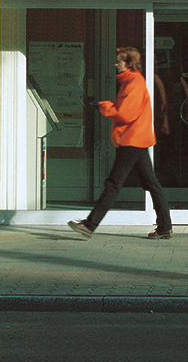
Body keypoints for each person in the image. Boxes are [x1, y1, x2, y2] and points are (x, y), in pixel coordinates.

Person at [68, 47, 173, 239]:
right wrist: (105, 105)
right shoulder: (130, 82)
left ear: (129, 63)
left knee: (113, 184)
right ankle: (165, 227)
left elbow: (125, 114)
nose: (116, 63)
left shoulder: (134, 83)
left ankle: (89, 225)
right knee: (151, 183)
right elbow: (125, 109)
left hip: (132, 140)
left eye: (120, 60)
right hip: (135, 139)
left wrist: (103, 106)